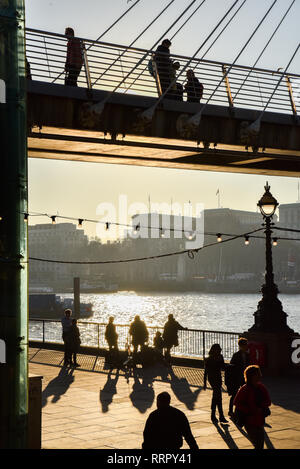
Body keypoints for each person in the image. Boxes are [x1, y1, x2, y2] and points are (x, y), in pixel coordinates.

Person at [234, 365, 271, 449]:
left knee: (260, 444)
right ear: (250, 376)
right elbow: (236, 402)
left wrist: (261, 407)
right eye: (257, 374)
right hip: (249, 421)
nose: (259, 376)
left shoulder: (261, 387)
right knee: (258, 444)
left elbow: (268, 401)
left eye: (259, 374)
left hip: (260, 420)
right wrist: (249, 410)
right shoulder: (244, 389)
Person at [203, 343, 228, 424]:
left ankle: (214, 415)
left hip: (218, 378)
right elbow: (206, 371)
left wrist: (231, 366)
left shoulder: (220, 357)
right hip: (212, 379)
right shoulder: (209, 359)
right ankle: (220, 416)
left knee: (216, 396)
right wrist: (204, 383)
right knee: (218, 396)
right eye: (219, 349)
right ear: (214, 350)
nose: (220, 350)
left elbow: (223, 367)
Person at [226, 337, 250, 417]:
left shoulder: (247, 355)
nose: (247, 347)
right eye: (246, 345)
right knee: (235, 394)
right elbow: (232, 367)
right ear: (241, 346)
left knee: (245, 393)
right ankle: (230, 411)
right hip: (236, 377)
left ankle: (242, 410)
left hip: (244, 377)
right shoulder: (236, 355)